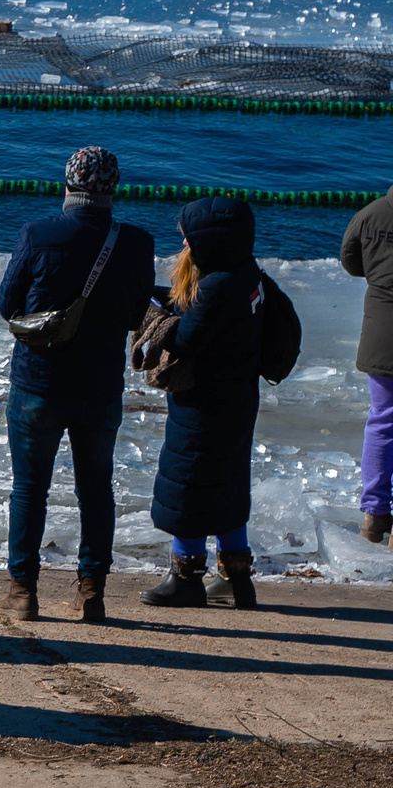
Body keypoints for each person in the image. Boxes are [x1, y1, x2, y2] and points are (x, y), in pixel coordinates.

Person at [0, 146, 156, 623]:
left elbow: (8, 305)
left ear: (67, 183)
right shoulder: (136, 243)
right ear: (114, 188)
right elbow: (133, 316)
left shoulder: (39, 234)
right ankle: (91, 593)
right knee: (96, 489)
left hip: (38, 383)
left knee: (29, 489)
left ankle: (22, 591)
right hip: (100, 387)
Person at [141, 197, 269, 611]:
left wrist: (158, 319)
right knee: (228, 484)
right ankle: (237, 577)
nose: (183, 241)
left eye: (188, 236)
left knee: (188, 484)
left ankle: (185, 578)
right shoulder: (247, 274)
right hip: (239, 397)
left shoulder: (216, 286)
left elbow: (188, 339)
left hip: (204, 402)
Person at [338, 183, 393, 544]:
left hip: (382, 331)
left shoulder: (370, 213)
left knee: (382, 420)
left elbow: (349, 260)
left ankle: (374, 515)